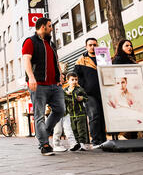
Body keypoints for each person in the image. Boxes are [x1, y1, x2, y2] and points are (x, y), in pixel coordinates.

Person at [22, 17, 65, 156]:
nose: (51, 28)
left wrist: (61, 74)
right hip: (39, 84)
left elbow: (56, 61)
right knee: (39, 115)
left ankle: (44, 132)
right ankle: (44, 144)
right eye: (49, 26)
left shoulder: (51, 44)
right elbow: (26, 60)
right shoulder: (30, 41)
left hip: (55, 84)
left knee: (60, 110)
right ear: (42, 27)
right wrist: (31, 78)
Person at [75, 38, 106, 147]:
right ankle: (96, 141)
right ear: (86, 47)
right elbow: (77, 76)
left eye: (94, 44)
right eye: (90, 45)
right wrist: (84, 89)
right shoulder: (81, 60)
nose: (92, 46)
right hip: (89, 94)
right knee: (94, 115)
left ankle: (103, 140)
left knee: (103, 116)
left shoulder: (103, 57)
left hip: (103, 92)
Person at [63, 72, 89, 151]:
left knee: (81, 129)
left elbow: (86, 98)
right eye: (72, 80)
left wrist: (82, 98)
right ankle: (76, 144)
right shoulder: (65, 90)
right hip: (71, 114)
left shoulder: (80, 89)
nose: (75, 81)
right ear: (68, 81)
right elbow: (64, 100)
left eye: (76, 79)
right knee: (74, 129)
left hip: (80, 113)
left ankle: (82, 144)